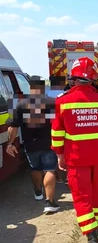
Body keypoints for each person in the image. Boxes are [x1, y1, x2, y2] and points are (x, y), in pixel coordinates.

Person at [51, 57, 98, 243]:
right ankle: (94, 222)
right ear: (93, 79)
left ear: (73, 78)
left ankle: (91, 234)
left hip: (76, 158)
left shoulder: (63, 101)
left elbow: (57, 132)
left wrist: (59, 155)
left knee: (81, 195)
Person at [6, 77, 60, 214]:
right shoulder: (53, 102)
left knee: (35, 168)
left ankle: (38, 193)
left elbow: (13, 127)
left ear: (30, 88)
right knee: (49, 169)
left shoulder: (21, 104)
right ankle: (50, 202)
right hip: (49, 143)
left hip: (31, 145)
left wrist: (10, 144)